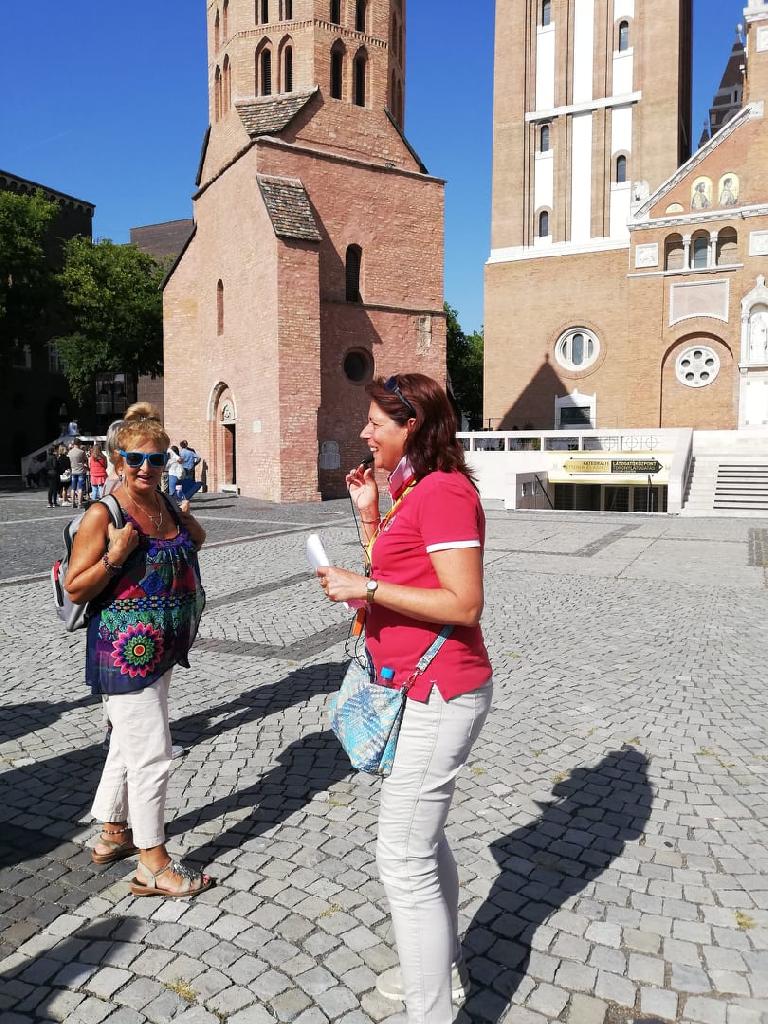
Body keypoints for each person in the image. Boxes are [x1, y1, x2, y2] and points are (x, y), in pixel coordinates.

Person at [317, 373, 493, 1024]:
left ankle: (431, 1011)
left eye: (376, 422)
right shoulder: (413, 487)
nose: (364, 432)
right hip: (416, 687)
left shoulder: (442, 491)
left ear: (412, 425)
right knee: (425, 841)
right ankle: (443, 970)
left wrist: (364, 587)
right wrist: (369, 518)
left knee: (403, 855)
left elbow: (464, 603)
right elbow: (399, 573)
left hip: (439, 690)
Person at [65, 402, 212, 898]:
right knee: (152, 754)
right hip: (123, 652)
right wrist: (115, 555)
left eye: (156, 459)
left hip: (162, 647)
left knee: (128, 741)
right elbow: (75, 587)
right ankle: (153, 862)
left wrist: (189, 523)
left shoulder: (164, 502)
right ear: (118, 460)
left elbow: (194, 540)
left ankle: (112, 832)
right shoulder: (103, 513)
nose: (146, 468)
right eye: (135, 459)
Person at [68, 438, 86, 510]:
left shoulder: (70, 452)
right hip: (81, 471)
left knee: (73, 488)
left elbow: (69, 461)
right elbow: (84, 461)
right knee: (80, 488)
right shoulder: (81, 452)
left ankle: (73, 503)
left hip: (73, 471)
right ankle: (79, 503)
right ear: (79, 443)